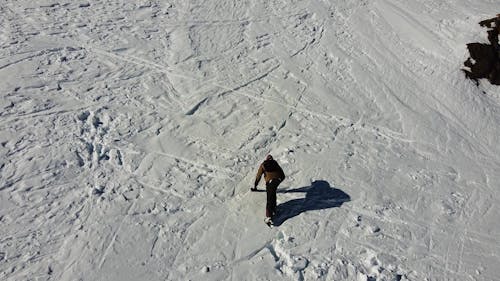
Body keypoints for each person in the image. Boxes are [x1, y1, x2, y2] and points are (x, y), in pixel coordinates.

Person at [253, 155, 285, 225]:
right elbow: (283, 175)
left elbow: (259, 175)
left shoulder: (263, 165)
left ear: (266, 159)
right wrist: (278, 181)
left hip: (270, 182)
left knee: (269, 198)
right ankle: (273, 209)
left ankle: (269, 217)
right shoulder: (275, 163)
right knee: (272, 194)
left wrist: (255, 185)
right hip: (277, 180)